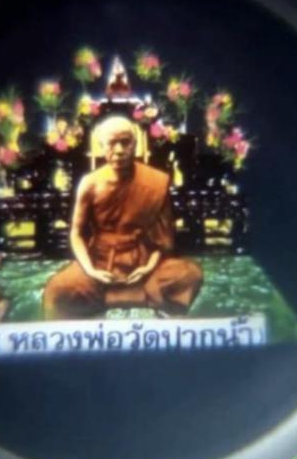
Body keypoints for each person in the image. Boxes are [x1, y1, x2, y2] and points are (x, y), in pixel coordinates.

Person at [43, 116, 202, 319]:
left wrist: (147, 268)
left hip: (141, 259)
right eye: (111, 143)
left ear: (135, 144)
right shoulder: (90, 183)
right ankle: (138, 296)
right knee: (57, 291)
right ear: (101, 146)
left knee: (190, 274)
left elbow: (163, 240)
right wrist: (90, 270)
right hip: (100, 260)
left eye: (125, 142)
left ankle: (108, 299)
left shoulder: (156, 182)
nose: (119, 150)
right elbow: (76, 233)